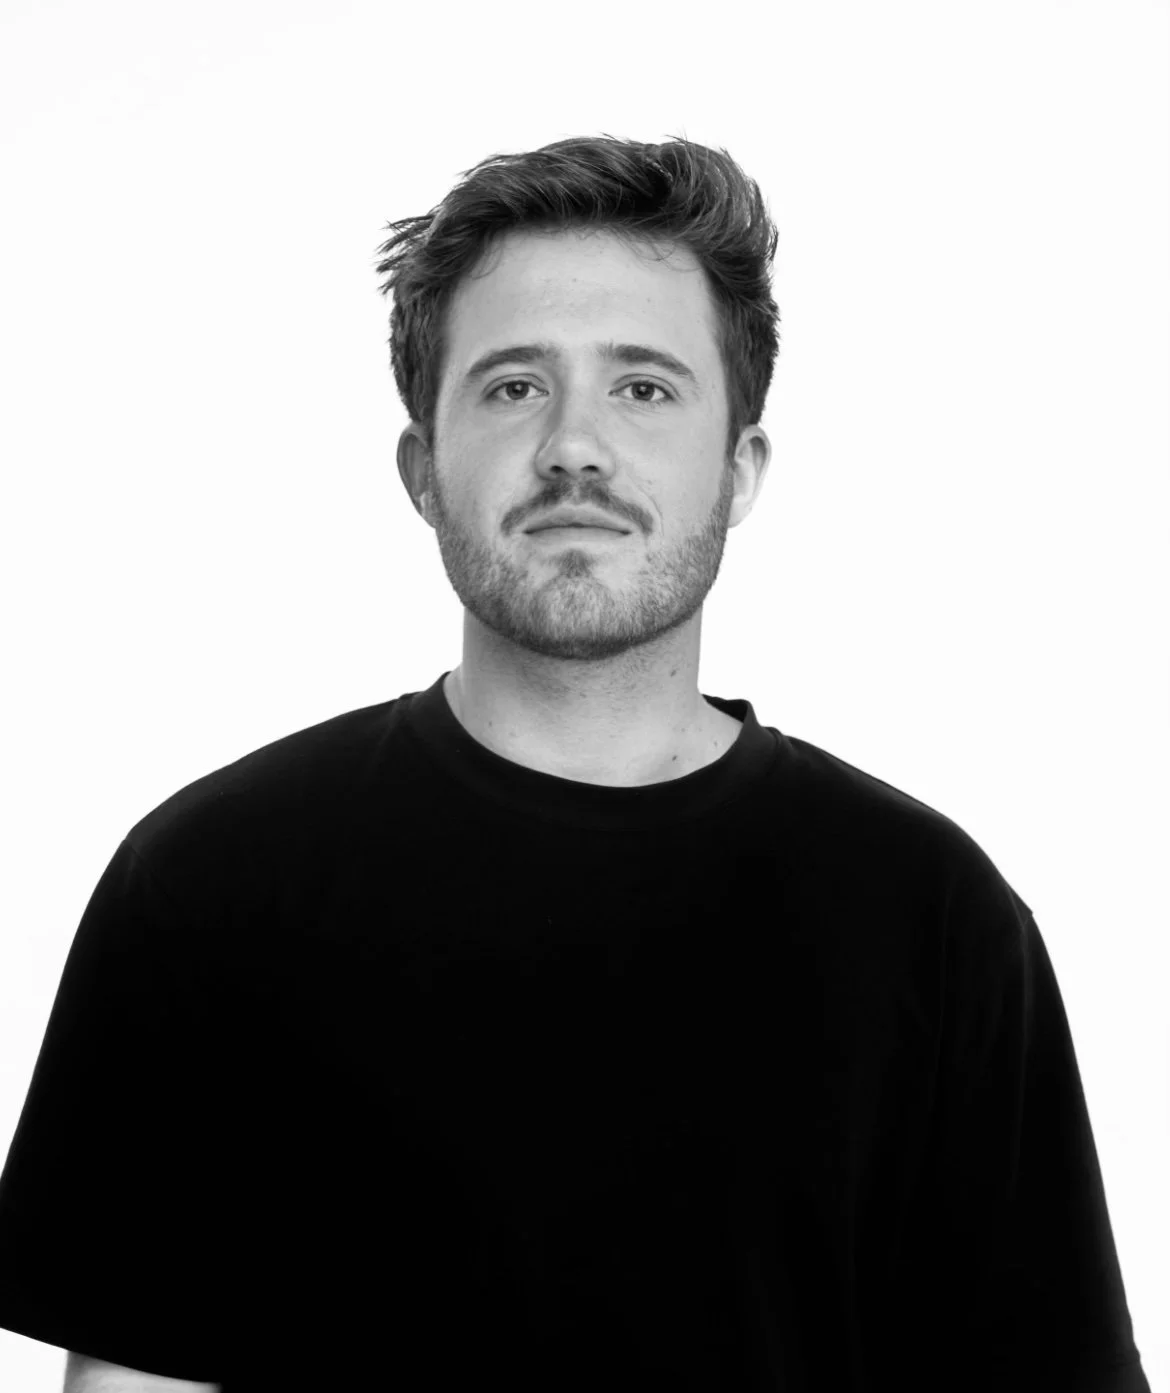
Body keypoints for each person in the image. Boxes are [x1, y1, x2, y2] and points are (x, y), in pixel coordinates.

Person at [0, 134, 1151, 1393]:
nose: (574, 448)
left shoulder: (934, 919)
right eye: (513, 387)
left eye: (644, 387)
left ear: (740, 469)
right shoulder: (207, 886)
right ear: (422, 469)